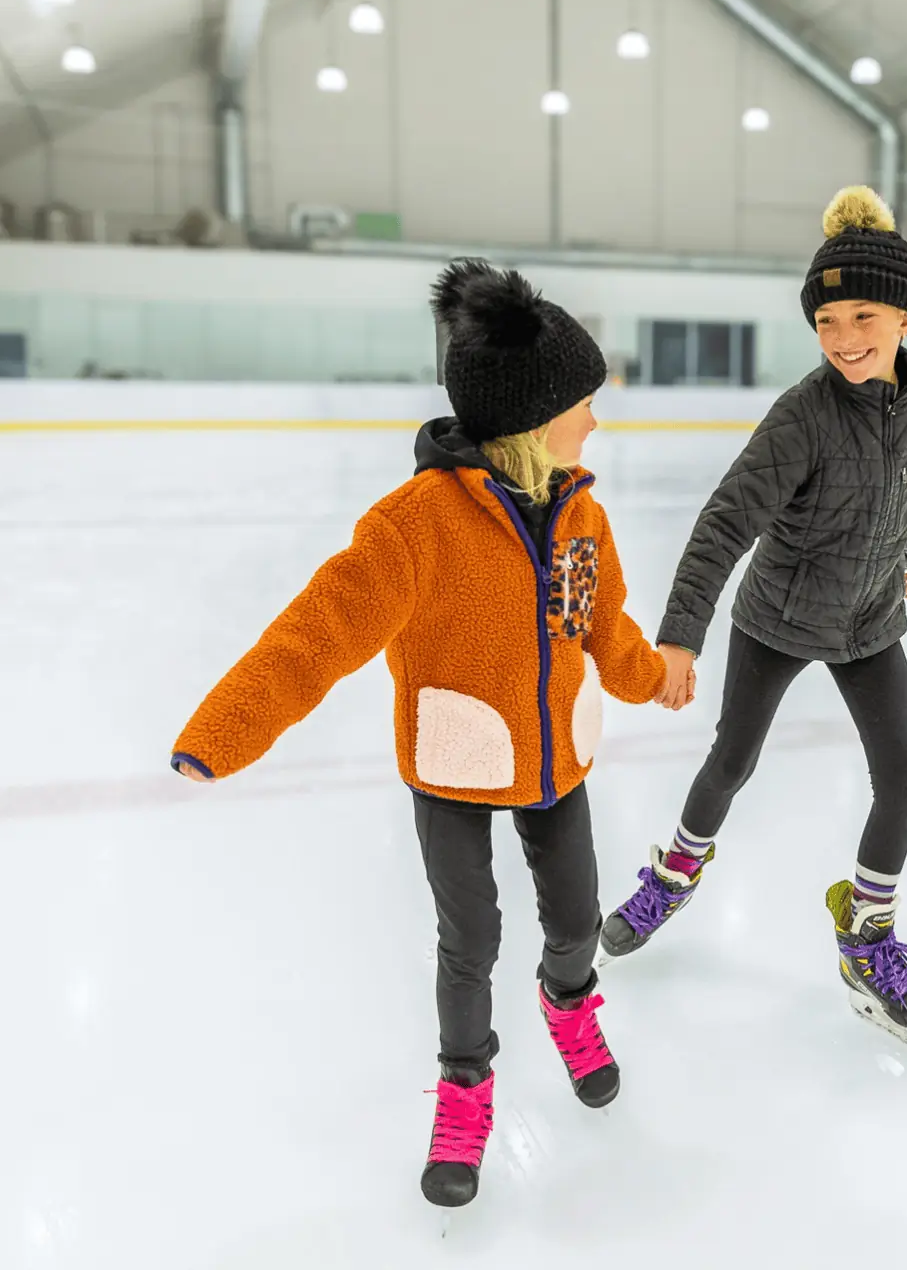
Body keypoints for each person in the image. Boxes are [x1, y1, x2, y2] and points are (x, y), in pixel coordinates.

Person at [168, 259, 694, 1208]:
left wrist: (650, 675)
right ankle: (465, 1090)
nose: (596, 420)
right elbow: (318, 631)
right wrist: (227, 728)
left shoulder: (582, 514)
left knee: (576, 920)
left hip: (556, 761)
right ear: (534, 417)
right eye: (585, 402)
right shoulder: (417, 526)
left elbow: (600, 622)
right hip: (457, 762)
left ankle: (570, 1008)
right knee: (471, 939)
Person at [596, 186, 907, 1057]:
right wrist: (680, 634)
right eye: (826, 320)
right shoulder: (804, 415)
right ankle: (672, 874)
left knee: (903, 776)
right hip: (779, 619)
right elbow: (725, 520)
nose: (844, 337)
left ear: (906, 317)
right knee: (732, 760)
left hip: (868, 617)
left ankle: (866, 932)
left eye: (863, 315)